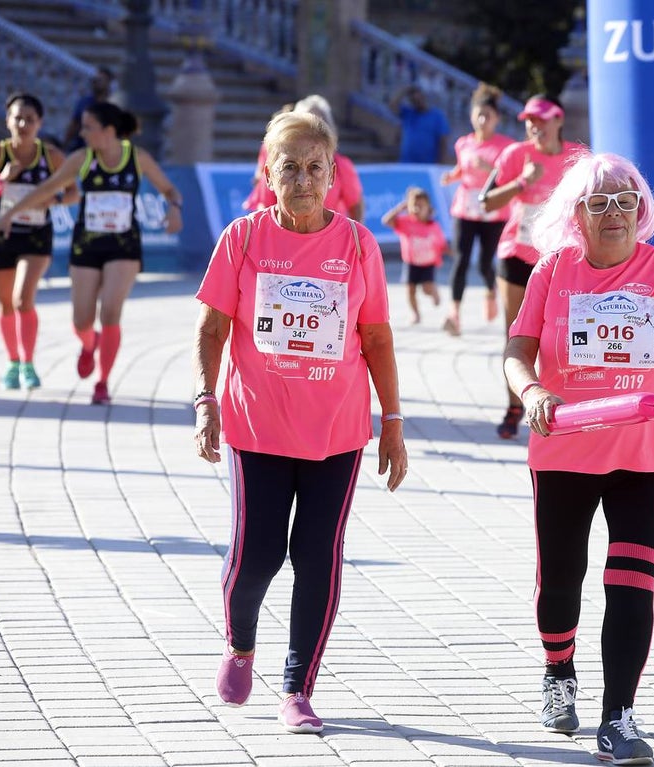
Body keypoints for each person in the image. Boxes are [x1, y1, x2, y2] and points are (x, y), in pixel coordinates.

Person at [502, 153, 654, 766]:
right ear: (576, 213)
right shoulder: (553, 272)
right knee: (560, 581)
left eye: (625, 200)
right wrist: (531, 392)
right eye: (599, 202)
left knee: (632, 584)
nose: (614, 213)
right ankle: (559, 670)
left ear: (642, 209)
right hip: (566, 447)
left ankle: (619, 717)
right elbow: (517, 353)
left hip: (647, 451)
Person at [192, 110, 407, 735]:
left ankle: (298, 688)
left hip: (336, 432)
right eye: (290, 168)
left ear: (334, 174)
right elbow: (210, 331)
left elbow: (377, 338)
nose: (304, 180)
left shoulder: (358, 244)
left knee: (318, 558)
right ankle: (240, 645)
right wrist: (206, 403)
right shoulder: (243, 239)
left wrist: (392, 421)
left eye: (316, 168)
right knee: (256, 555)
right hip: (257, 427)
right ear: (269, 173)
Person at [0, 102, 183, 405]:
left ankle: (102, 382)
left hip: (123, 246)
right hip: (87, 245)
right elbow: (48, 188)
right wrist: (7, 214)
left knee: (110, 313)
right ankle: (89, 343)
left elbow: (171, 191)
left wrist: (174, 209)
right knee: (81, 321)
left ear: (107, 130)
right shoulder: (82, 158)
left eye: (88, 127)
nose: (81, 132)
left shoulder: (137, 157)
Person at [482, 94, 587, 439]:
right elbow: (486, 202)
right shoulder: (516, 154)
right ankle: (516, 406)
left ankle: (562, 404)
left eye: (541, 119)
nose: (533, 126)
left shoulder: (577, 158)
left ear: (558, 119)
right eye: (529, 120)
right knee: (516, 334)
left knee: (561, 336)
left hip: (561, 260)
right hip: (517, 253)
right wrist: (522, 182)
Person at [0, 92, 79, 390]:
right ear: (8, 120)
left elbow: (73, 193)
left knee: (22, 298)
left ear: (39, 123)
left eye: (30, 119)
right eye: (17, 118)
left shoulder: (51, 156)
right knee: (5, 305)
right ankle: (13, 362)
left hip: (36, 237)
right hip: (1, 235)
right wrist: (0, 179)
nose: (23, 124)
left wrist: (51, 199)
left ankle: (28, 363)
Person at [439, 83, 515, 336]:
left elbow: (508, 177)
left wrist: (488, 169)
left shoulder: (505, 146)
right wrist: (453, 176)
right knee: (460, 259)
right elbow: (462, 168)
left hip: (493, 208)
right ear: (472, 116)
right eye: (478, 115)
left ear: (497, 119)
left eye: (488, 116)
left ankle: (491, 290)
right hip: (465, 206)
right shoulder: (463, 143)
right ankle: (454, 314)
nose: (482, 120)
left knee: (485, 262)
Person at [243, 96, 364, 223]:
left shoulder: (341, 166)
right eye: (304, 126)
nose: (303, 180)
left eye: (318, 125)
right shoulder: (278, 164)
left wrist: (351, 238)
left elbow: (356, 206)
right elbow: (264, 204)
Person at [381, 186, 447, 324]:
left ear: (428, 208)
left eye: (420, 206)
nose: (416, 209)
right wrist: (400, 208)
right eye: (413, 206)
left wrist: (445, 254)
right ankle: (416, 314)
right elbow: (386, 221)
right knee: (410, 290)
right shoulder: (405, 222)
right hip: (411, 262)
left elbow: (441, 244)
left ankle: (433, 291)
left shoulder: (433, 226)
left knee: (426, 289)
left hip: (428, 263)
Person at [392, 85, 450, 164]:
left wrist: (441, 162)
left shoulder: (437, 116)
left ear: (424, 97)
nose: (417, 102)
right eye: (414, 100)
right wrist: (405, 90)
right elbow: (392, 105)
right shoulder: (408, 113)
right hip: (406, 163)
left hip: (427, 164)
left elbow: (443, 141)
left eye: (419, 99)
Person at [63, 67, 114, 153]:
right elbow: (74, 124)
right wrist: (65, 143)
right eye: (95, 80)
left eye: (100, 80)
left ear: (108, 82)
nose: (96, 83)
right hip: (83, 147)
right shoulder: (84, 102)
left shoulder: (114, 103)